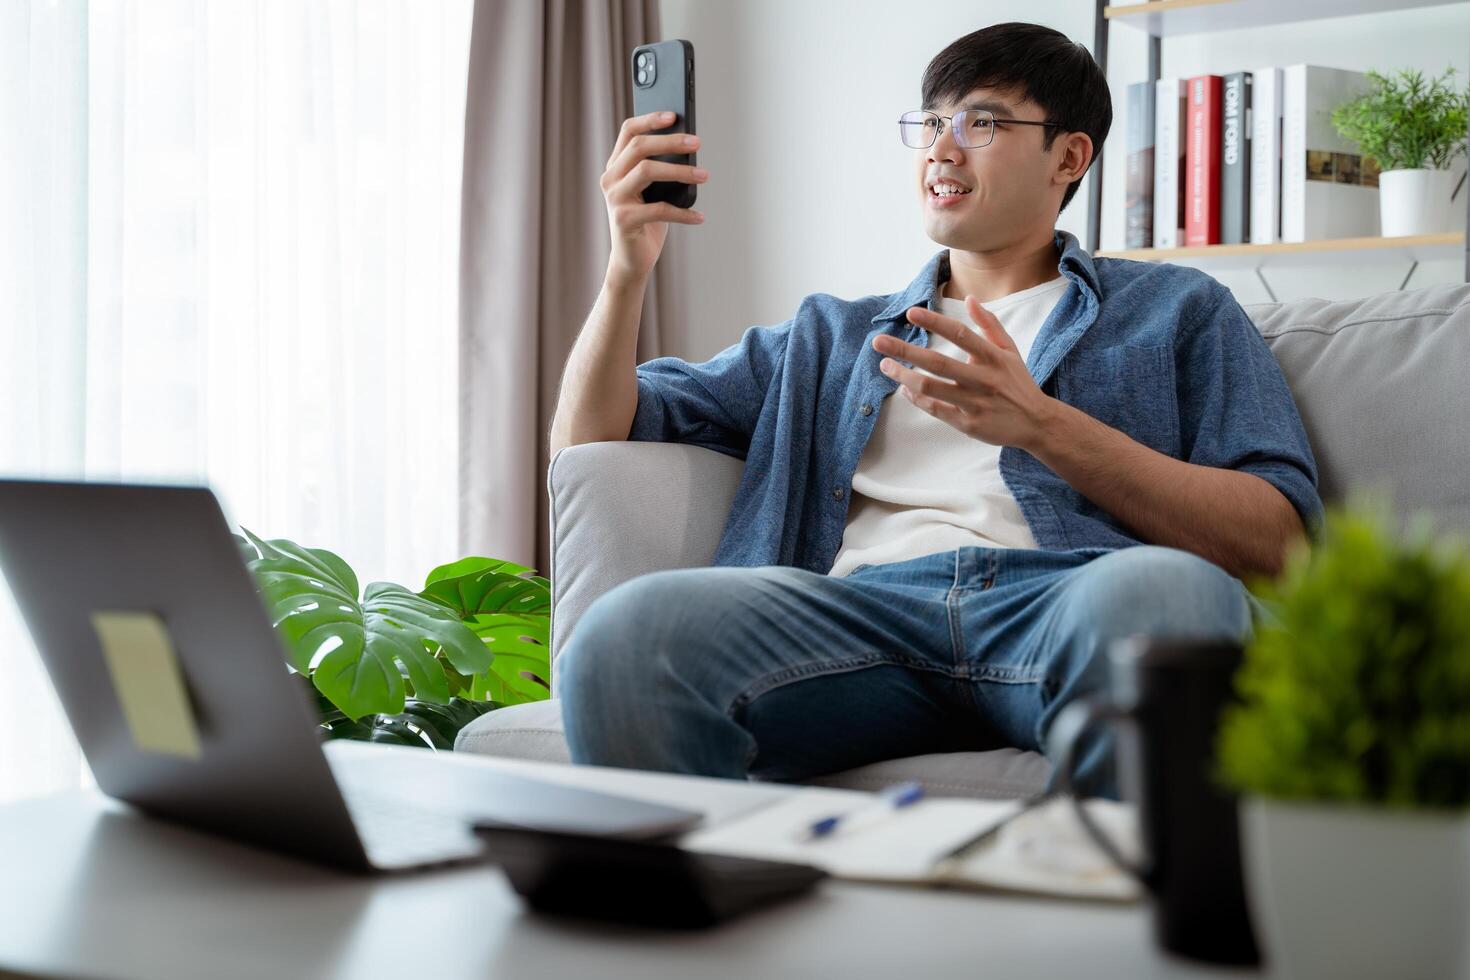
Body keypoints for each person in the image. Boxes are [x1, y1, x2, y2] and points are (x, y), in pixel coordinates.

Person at [546, 22, 1321, 799]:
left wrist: (1044, 427)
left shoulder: (1176, 310)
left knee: (1168, 603)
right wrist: (626, 269)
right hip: (858, 620)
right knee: (624, 642)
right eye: (930, 123)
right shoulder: (831, 335)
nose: (942, 150)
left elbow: (1279, 543)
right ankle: (721, 902)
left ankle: (1100, 903)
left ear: (1069, 156)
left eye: (981, 122)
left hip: (1066, 605)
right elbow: (586, 443)